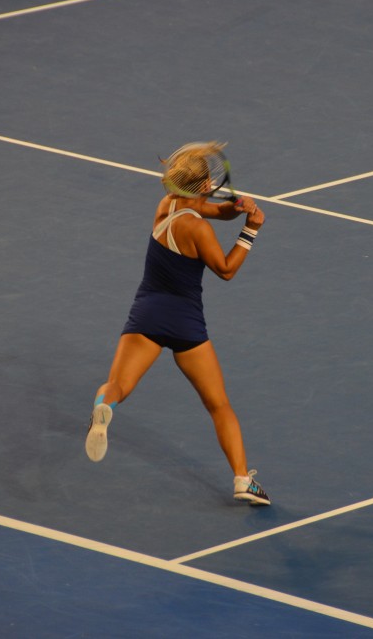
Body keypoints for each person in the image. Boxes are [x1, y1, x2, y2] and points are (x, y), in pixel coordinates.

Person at [85, 142, 270, 506]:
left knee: (118, 384)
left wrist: (235, 209)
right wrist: (252, 228)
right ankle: (241, 480)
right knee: (218, 405)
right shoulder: (199, 231)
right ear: (202, 186)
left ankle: (104, 410)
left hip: (147, 316)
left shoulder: (166, 206)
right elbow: (226, 270)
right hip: (186, 325)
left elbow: (211, 211)